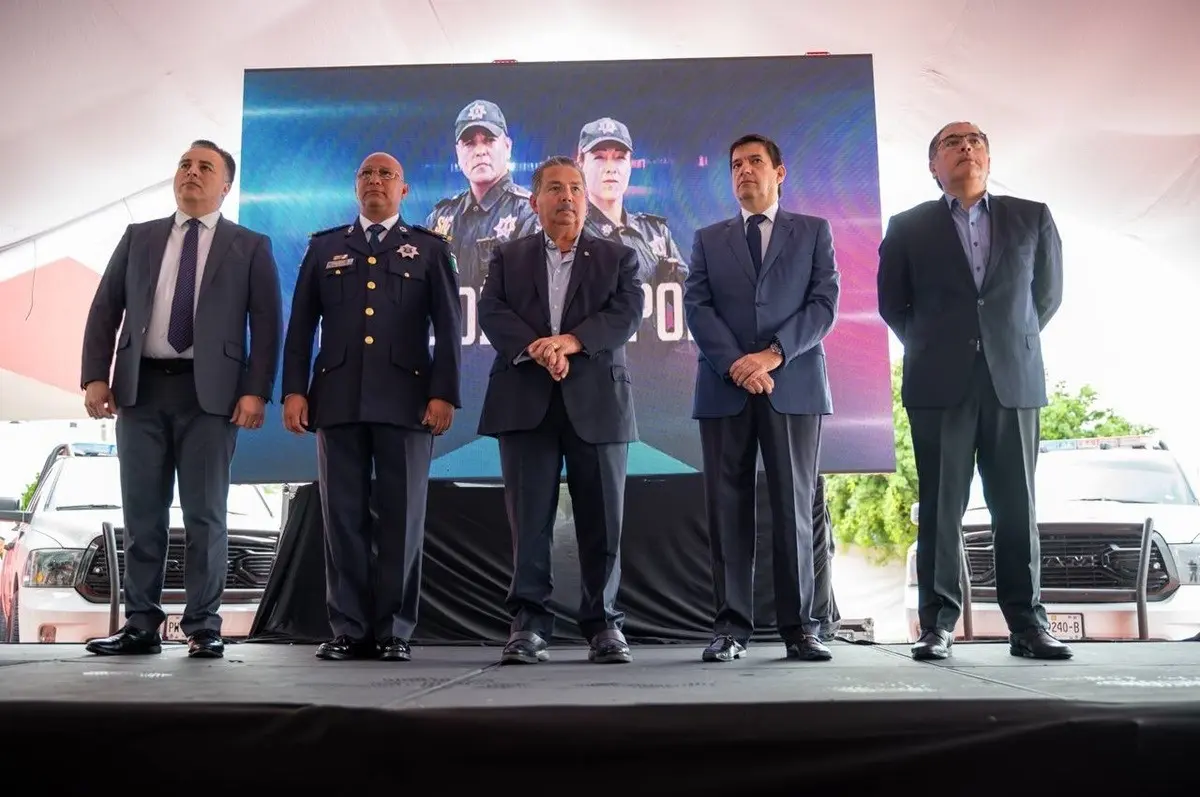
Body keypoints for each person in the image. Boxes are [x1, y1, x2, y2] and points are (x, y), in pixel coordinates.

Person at [80, 139, 282, 659]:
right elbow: (105, 308)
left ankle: (203, 626)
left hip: (210, 397)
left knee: (206, 515)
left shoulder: (250, 245)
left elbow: (267, 324)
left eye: (205, 167)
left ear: (225, 184)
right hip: (141, 390)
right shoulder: (139, 237)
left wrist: (256, 391)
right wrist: (94, 378)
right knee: (142, 512)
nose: (192, 173)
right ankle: (141, 624)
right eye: (185, 164)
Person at [877, 121, 1068, 661]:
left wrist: (1003, 343)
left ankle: (1027, 626)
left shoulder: (1032, 216)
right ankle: (937, 626)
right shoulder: (908, 226)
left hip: (1013, 379)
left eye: (976, 140)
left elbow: (1046, 298)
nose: (966, 148)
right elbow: (894, 303)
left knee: (1016, 504)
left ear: (988, 156)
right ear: (933, 167)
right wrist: (940, 347)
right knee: (941, 507)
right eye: (951, 143)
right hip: (940, 384)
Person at [281, 152, 461, 662]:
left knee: (402, 520)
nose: (376, 181)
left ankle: (393, 631)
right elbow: (300, 329)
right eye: (367, 174)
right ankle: (348, 628)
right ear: (355, 187)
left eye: (387, 175)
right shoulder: (324, 248)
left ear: (403, 190)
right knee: (343, 518)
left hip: (408, 402)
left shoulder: (428, 249)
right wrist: (295, 389)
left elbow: (449, 330)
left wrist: (444, 394)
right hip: (336, 400)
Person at [477, 155, 643, 665]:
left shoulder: (618, 257)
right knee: (529, 523)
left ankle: (604, 625)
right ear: (535, 200)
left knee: (603, 522)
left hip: (598, 403)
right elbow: (492, 311)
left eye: (575, 188)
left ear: (585, 198)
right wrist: (539, 348)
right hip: (525, 400)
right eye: (555, 188)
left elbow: (626, 312)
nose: (567, 198)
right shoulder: (508, 256)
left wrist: (570, 341)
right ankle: (528, 626)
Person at [683, 133, 839, 663]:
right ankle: (730, 629)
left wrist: (772, 355)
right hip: (725, 388)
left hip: (792, 385)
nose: (744, 171)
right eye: (735, 165)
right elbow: (698, 309)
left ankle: (801, 628)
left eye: (754, 162)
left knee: (795, 508)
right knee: (726, 509)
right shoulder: (708, 238)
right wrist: (736, 364)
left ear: (780, 171)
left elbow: (823, 305)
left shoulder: (814, 231)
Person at [425, 99, 540, 291]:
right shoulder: (440, 219)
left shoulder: (530, 213)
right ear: (458, 153)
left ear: (507, 146)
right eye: (469, 143)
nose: (480, 151)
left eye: (489, 140)